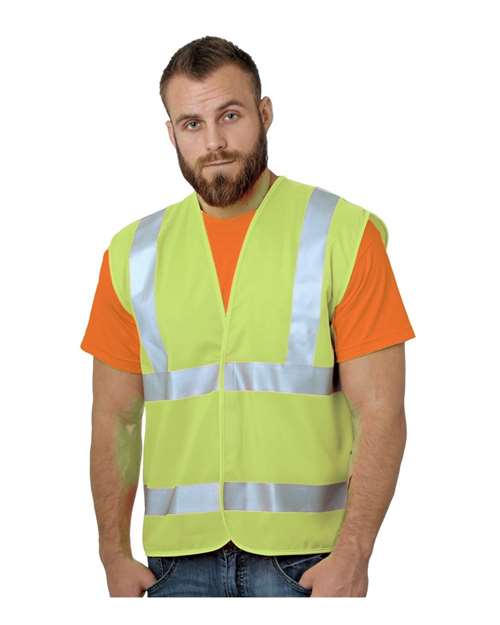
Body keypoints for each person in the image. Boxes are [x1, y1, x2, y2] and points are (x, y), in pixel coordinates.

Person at [81, 35, 416, 598]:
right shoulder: (132, 253)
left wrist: (354, 554)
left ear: (264, 113)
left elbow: (381, 410)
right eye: (192, 124)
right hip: (174, 566)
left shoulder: (342, 233)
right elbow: (114, 418)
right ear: (171, 134)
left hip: (308, 563)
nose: (213, 142)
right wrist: (112, 553)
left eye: (230, 115)